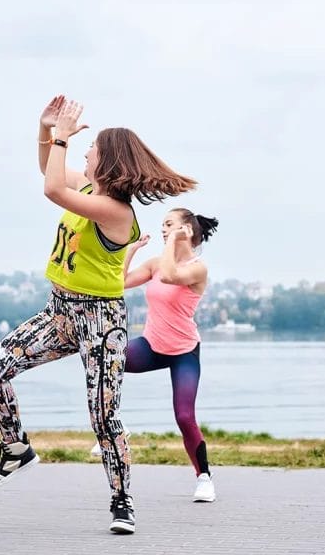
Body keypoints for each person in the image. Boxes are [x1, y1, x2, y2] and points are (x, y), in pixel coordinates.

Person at [0, 95, 197, 534]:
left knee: (102, 413)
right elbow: (49, 172)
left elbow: (52, 189)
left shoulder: (115, 212)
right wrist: (45, 131)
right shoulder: (89, 190)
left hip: (100, 321)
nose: (84, 149)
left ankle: (122, 500)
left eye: (91, 147)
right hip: (59, 312)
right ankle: (17, 447)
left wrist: (59, 138)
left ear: (108, 161)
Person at [113, 208, 219, 502]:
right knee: (108, 360)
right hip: (152, 345)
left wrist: (173, 241)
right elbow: (119, 282)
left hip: (184, 352)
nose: (162, 229)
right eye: (162, 225)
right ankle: (115, 428)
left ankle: (204, 479)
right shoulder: (156, 263)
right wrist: (131, 251)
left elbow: (172, 275)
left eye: (169, 224)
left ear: (186, 229)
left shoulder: (198, 268)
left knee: (185, 417)